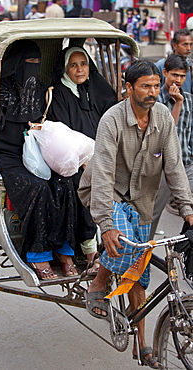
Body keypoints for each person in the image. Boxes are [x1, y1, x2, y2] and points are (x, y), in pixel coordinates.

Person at [78, 59, 193, 368]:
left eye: (156, 86)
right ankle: (99, 283)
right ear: (128, 88)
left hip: (142, 200)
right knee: (124, 244)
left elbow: (175, 167)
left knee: (138, 274)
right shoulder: (112, 120)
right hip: (109, 195)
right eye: (145, 86)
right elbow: (101, 173)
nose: (152, 92)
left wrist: (189, 210)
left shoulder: (163, 119)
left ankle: (141, 346)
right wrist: (105, 223)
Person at [0, 40, 79, 280]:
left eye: (37, 62)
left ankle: (64, 250)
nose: (33, 67)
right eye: (29, 62)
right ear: (17, 63)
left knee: (65, 184)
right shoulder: (1, 88)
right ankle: (39, 254)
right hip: (8, 156)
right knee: (37, 188)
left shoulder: (40, 88)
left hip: (35, 152)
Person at [48, 46, 116, 272]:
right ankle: (90, 250)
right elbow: (62, 134)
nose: (79, 69)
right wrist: (85, 159)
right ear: (65, 69)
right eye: (73, 65)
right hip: (72, 159)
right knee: (85, 187)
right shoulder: (59, 92)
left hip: (101, 155)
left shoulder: (92, 88)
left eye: (83, 64)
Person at [150, 54, 193, 238]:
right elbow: (165, 132)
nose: (178, 80)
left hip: (186, 163)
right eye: (174, 75)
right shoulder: (154, 99)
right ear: (165, 73)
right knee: (152, 214)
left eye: (182, 76)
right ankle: (142, 257)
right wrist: (177, 103)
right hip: (161, 165)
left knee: (189, 211)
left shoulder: (190, 99)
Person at [155, 28, 193, 93]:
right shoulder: (161, 65)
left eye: (191, 44)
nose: (189, 48)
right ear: (175, 45)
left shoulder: (191, 65)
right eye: (185, 44)